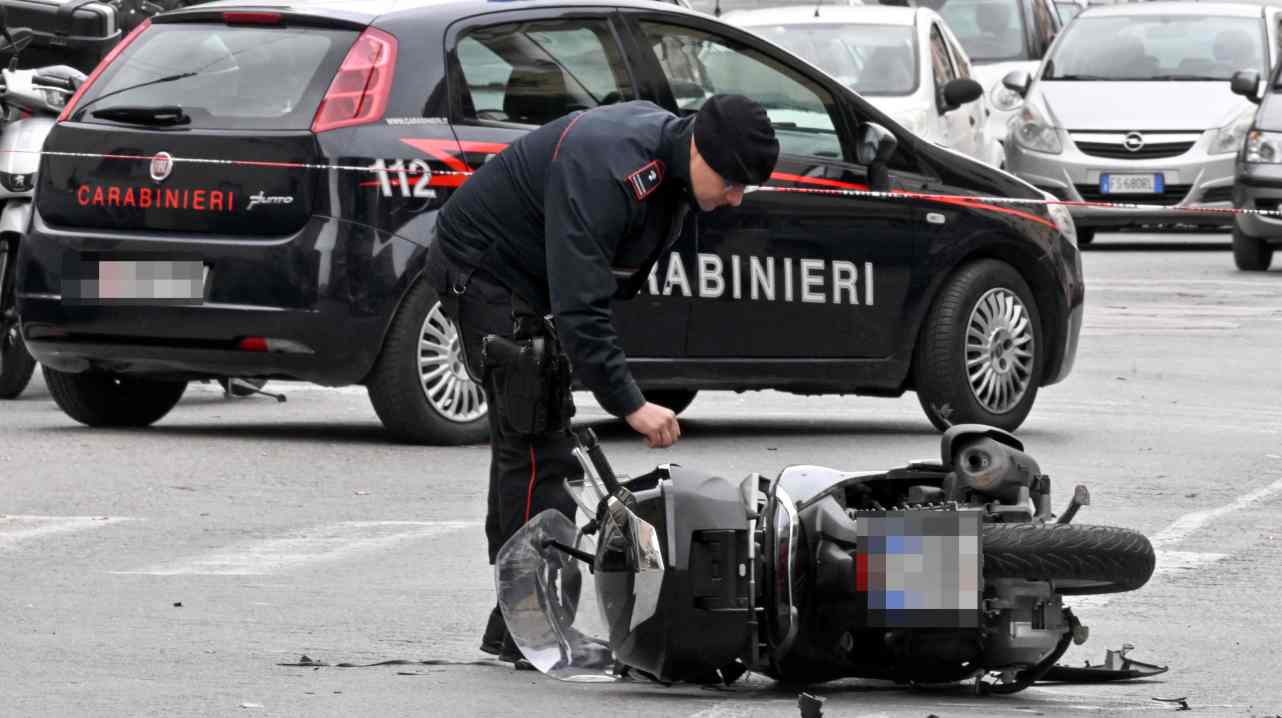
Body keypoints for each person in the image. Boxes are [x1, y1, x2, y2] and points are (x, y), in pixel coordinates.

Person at [424, 94, 780, 666]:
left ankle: (516, 619)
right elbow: (581, 307)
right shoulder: (610, 169)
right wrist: (630, 403)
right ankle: (532, 625)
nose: (735, 198)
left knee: (531, 438)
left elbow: (608, 285)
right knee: (537, 443)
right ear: (701, 151)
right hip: (483, 270)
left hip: (529, 279)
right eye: (733, 182)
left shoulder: (672, 175)